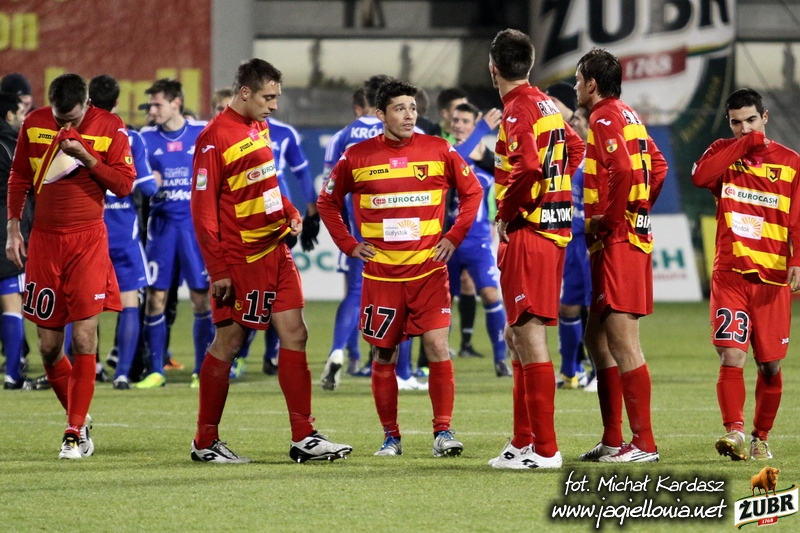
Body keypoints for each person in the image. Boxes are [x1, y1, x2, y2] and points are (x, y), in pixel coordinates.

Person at [190, 58, 352, 463]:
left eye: (277, 97)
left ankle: (304, 436)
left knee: (295, 334)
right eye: (268, 97)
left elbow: (268, 182)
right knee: (230, 342)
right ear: (244, 93)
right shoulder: (213, 138)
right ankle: (205, 442)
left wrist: (290, 211)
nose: (274, 105)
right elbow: (203, 211)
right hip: (241, 259)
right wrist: (218, 269)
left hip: (276, 250)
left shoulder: (258, 127)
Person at [318, 79, 482, 457]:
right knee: (384, 355)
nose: (409, 115)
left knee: (437, 346)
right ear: (380, 114)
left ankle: (443, 432)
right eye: (399, 108)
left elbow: (473, 191)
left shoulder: (438, 149)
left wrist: (454, 236)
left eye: (412, 108)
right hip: (381, 277)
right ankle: (391, 437)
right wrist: (349, 244)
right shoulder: (356, 156)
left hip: (429, 272)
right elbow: (327, 201)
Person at [6, 73, 135, 458]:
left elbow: (124, 185)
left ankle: (74, 432)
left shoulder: (110, 127)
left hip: (87, 242)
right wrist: (13, 228)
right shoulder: (34, 123)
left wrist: (87, 157)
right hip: (44, 243)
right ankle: (79, 417)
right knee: (48, 347)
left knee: (83, 339)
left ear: (87, 104)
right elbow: (19, 176)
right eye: (60, 119)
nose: (65, 126)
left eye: (73, 119)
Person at [487, 29, 584, 470]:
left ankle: (545, 449)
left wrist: (509, 212)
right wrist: (556, 189)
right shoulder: (545, 103)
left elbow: (526, 167)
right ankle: (521, 441)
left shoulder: (518, 109)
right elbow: (575, 148)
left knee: (527, 334)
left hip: (530, 231)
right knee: (515, 334)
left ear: (493, 68)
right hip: (552, 228)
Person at [692, 88, 800, 461]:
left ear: (764, 117)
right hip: (730, 274)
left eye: (751, 120)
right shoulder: (722, 154)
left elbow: (797, 218)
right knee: (731, 356)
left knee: (770, 365)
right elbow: (700, 177)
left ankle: (760, 437)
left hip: (772, 279)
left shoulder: (790, 162)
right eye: (736, 122)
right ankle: (735, 432)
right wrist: (743, 145)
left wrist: (797, 260)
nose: (745, 128)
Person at [575, 48, 667, 463]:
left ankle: (644, 443)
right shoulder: (628, 115)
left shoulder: (603, 116)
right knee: (595, 337)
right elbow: (658, 168)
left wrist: (613, 219)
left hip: (618, 242)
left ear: (592, 84)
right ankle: (613, 438)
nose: (577, 87)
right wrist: (640, 211)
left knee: (622, 342)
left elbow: (626, 171)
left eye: (579, 80)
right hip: (624, 238)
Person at [318, 75, 393, 389]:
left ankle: (342, 352)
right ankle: (394, 368)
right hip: (397, 226)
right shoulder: (399, 130)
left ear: (360, 104)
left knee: (354, 293)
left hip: (358, 228)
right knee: (397, 294)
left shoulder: (342, 136)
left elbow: (328, 189)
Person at [138, 79, 212, 388]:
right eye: (151, 105)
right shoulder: (144, 139)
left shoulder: (203, 133)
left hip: (195, 229)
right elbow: (134, 179)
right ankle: (155, 370)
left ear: (176, 103)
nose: (152, 110)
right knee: (155, 298)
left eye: (158, 104)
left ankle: (203, 371)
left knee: (201, 298)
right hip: (162, 229)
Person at [88, 74, 158, 390]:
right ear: (117, 102)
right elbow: (148, 188)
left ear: (89, 101)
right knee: (130, 301)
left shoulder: (76, 135)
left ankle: (89, 368)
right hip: (124, 235)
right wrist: (156, 180)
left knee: (84, 304)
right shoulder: (131, 138)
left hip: (90, 233)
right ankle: (122, 374)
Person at [447, 102, 511, 377]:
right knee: (442, 301)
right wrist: (482, 130)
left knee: (490, 293)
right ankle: (435, 361)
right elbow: (456, 160)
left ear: (474, 123)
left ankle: (500, 358)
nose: (458, 125)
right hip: (447, 240)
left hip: (477, 239)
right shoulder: (445, 152)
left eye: (465, 121)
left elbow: (507, 183)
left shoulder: (489, 158)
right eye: (455, 120)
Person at [545, 82, 593, 390]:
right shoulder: (570, 151)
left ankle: (600, 373)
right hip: (571, 238)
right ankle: (569, 372)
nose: (575, 124)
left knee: (596, 310)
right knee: (568, 306)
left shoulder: (600, 157)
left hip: (589, 239)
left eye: (578, 120)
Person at [0, 91, 32, 389]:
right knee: (12, 300)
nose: (24, 119)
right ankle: (13, 374)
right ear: (9, 115)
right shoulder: (12, 146)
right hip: (7, 230)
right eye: (21, 113)